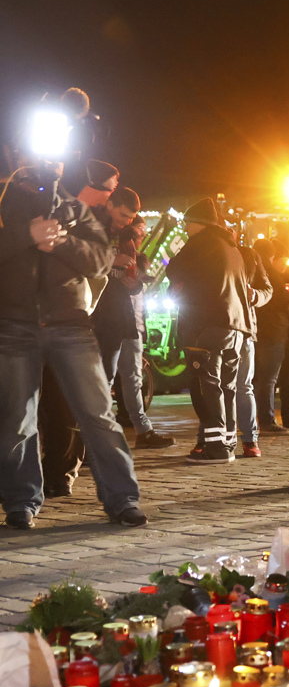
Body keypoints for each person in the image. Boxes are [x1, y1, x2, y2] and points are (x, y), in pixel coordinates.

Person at [0, 164, 147, 528]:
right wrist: (26, 234)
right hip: (14, 323)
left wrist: (63, 241)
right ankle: (21, 501)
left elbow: (100, 262)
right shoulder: (4, 203)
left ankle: (122, 498)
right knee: (18, 418)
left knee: (98, 413)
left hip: (70, 323)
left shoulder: (74, 210)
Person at [40, 159, 123, 494]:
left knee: (65, 402)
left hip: (76, 318)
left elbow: (99, 266)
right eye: (107, 189)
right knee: (33, 402)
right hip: (40, 316)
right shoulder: (50, 205)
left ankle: (62, 471)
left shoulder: (95, 219)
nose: (108, 198)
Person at [166, 198, 266, 463]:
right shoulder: (232, 247)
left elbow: (173, 269)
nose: (186, 229)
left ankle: (216, 448)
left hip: (206, 324)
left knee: (205, 384)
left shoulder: (200, 242)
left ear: (198, 223)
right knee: (227, 385)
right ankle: (228, 441)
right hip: (235, 327)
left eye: (188, 224)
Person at [91, 192, 175, 449]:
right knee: (105, 376)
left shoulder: (127, 239)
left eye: (131, 218)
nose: (127, 222)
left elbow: (130, 281)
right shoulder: (94, 230)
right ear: (110, 205)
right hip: (105, 315)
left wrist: (135, 281)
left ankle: (143, 430)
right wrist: (111, 261)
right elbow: (86, 267)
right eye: (123, 216)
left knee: (132, 376)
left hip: (126, 314)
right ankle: (97, 434)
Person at [233, 236, 275, 457]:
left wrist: (255, 295)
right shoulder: (210, 252)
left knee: (243, 385)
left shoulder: (249, 255)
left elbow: (267, 289)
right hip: (218, 327)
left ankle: (250, 439)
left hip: (244, 329)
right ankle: (218, 438)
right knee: (218, 387)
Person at [252, 238, 289, 432]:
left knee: (253, 379)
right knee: (268, 379)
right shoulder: (273, 276)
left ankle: (251, 418)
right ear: (271, 255)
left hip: (256, 330)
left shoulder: (249, 271)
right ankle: (267, 420)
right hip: (274, 331)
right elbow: (285, 301)